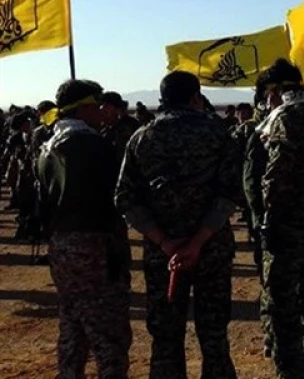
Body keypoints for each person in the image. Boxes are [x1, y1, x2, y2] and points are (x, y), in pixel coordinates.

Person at [116, 71, 241, 378]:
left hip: (164, 257)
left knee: (166, 338)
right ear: (195, 97)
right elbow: (230, 193)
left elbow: (125, 199)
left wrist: (166, 243)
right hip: (211, 250)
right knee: (213, 336)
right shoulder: (218, 133)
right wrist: (198, 242)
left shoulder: (141, 138)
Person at [37, 80, 132, 378]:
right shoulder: (94, 145)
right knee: (109, 331)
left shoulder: (47, 147)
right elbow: (117, 195)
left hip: (61, 245)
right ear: (84, 107)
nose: (103, 110)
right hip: (95, 246)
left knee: (73, 323)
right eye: (98, 103)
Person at [254, 59, 304, 378]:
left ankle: (289, 371)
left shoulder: (284, 119)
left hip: (287, 225)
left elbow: (275, 177)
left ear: (276, 92)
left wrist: (269, 220)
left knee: (282, 305)